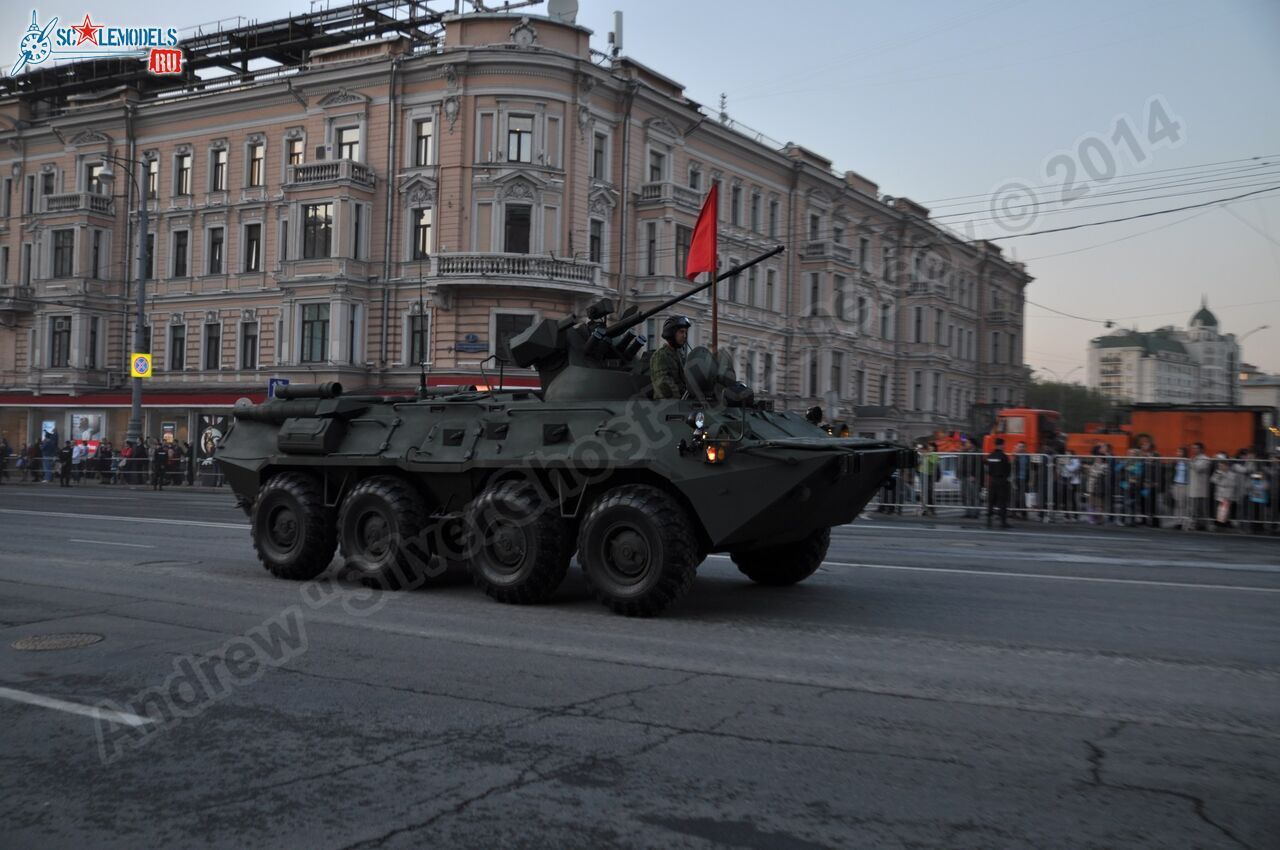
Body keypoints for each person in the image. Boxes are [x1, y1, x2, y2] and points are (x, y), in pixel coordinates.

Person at [650, 315, 691, 399]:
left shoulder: (680, 356)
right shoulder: (661, 356)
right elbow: (664, 386)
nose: (684, 336)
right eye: (681, 332)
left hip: (680, 405)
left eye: (685, 332)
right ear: (671, 333)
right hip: (667, 406)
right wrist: (682, 400)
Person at [985, 438, 1012, 529]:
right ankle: (1003, 522)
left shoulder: (990, 456)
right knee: (1002, 501)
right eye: (1003, 445)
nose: (1004, 446)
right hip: (1002, 480)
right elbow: (1008, 470)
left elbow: (987, 468)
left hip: (992, 480)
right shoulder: (1004, 456)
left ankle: (988, 520)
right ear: (1001, 445)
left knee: (991, 501)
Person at [1188, 443, 1212, 530]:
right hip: (1193, 487)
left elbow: (1199, 469)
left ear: (1201, 449)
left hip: (1201, 488)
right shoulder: (1194, 458)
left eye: (1196, 448)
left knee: (1201, 508)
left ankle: (1204, 525)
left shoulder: (1206, 459)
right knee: (1193, 508)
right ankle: (1194, 524)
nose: (1194, 450)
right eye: (1193, 448)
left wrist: (1192, 461)